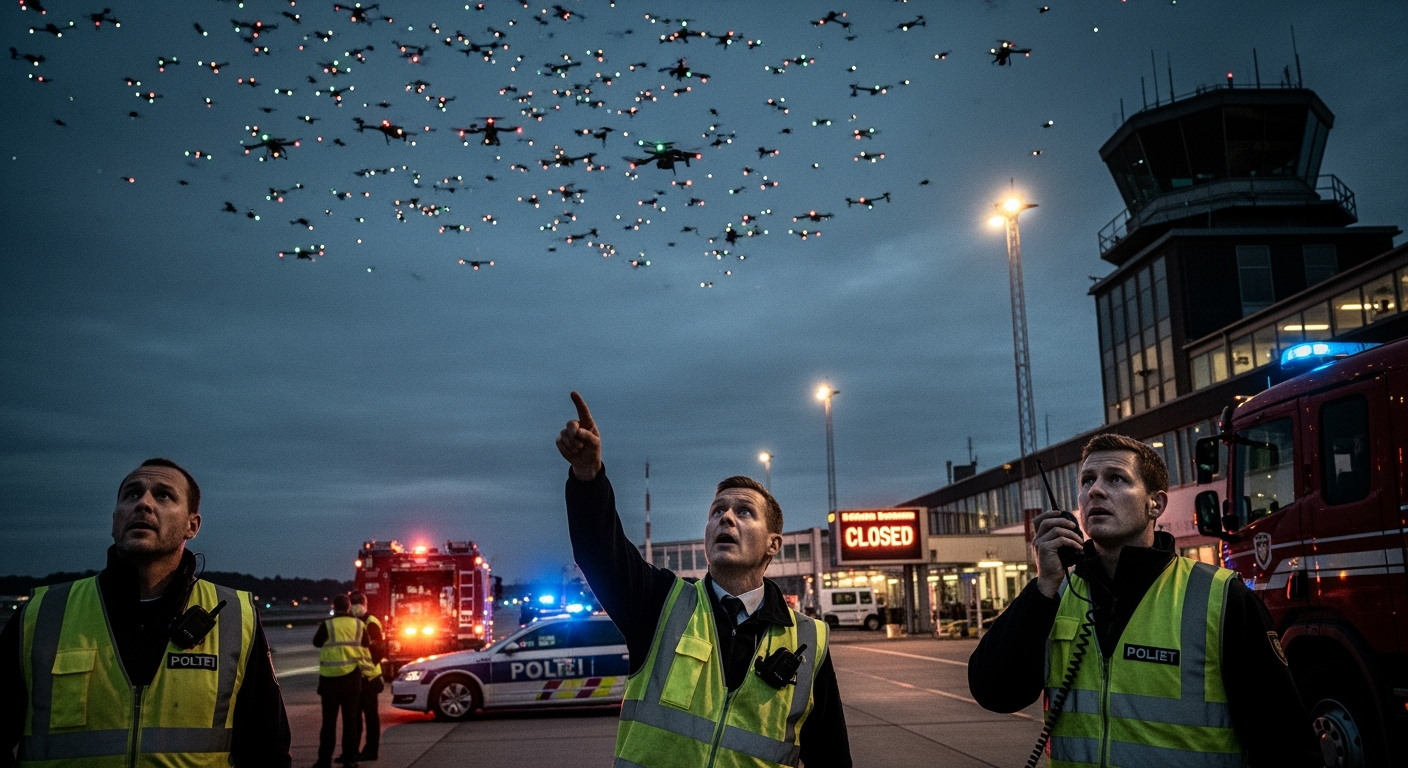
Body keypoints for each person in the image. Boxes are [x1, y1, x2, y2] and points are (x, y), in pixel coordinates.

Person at [967, 434, 1320, 767]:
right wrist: (1043, 585)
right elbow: (994, 693)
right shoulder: (1057, 593)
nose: (1096, 491)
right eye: (1087, 481)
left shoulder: (1220, 596)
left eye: (1116, 479)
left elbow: (1286, 742)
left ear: (1156, 503)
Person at [556, 392, 851, 768]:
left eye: (744, 512)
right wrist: (587, 475)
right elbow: (599, 552)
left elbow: (832, 756)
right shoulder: (659, 603)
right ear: (706, 535)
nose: (726, 518)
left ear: (773, 544)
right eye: (718, 511)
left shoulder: (809, 642)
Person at [0, 457, 291, 767]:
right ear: (114, 519)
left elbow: (267, 751)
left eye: (163, 495)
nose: (143, 504)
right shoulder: (41, 615)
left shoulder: (236, 617)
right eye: (131, 494)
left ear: (192, 525)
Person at [312, 594, 367, 768]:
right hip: (351, 680)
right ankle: (349, 760)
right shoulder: (359, 625)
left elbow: (317, 643)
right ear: (349, 607)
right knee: (350, 722)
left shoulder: (327, 625)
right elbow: (367, 643)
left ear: (334, 607)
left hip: (330, 681)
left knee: (328, 723)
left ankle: (324, 760)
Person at [348, 591, 384, 762]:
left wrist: (367, 667)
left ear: (365, 603)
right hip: (354, 677)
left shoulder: (371, 623)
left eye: (358, 602)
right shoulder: (351, 622)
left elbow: (379, 651)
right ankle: (352, 751)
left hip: (369, 677)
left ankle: (371, 750)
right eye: (352, 602)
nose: (355, 605)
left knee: (370, 716)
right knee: (354, 716)